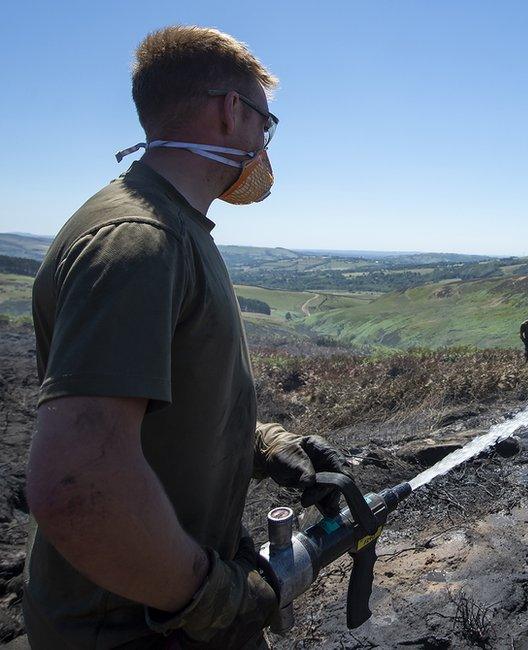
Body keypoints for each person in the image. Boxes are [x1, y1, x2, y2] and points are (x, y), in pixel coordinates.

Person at [24, 26, 347, 648]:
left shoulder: (171, 226)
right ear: (231, 112)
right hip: (131, 626)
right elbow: (76, 485)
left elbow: (172, 411)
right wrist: (214, 599)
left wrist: (275, 448)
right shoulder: (141, 241)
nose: (264, 144)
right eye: (265, 122)